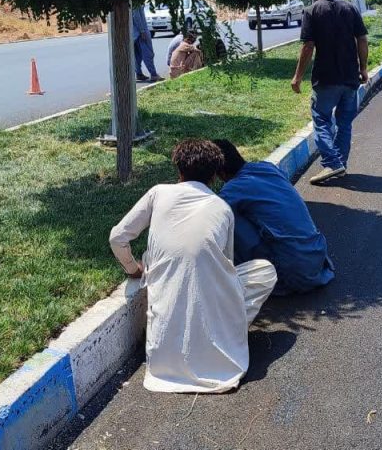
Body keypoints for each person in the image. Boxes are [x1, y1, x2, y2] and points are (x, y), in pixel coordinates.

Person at [109, 139, 277, 393]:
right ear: (215, 175)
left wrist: (133, 269)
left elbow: (117, 238)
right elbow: (227, 269)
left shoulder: (158, 193)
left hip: (162, 360)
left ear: (178, 168)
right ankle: (225, 334)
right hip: (220, 357)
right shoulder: (223, 208)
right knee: (265, 271)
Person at [213, 139, 334, 295]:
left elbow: (210, 218)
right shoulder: (267, 168)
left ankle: (242, 276)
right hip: (318, 258)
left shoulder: (232, 190)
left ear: (221, 173)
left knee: (226, 217)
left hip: (295, 275)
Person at [291, 0, 369, 185]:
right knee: (344, 124)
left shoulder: (312, 11)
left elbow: (308, 46)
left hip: (325, 78)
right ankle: (340, 164)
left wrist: (297, 77)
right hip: (350, 77)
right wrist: (363, 68)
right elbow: (362, 39)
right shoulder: (350, 8)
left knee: (322, 120)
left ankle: (333, 163)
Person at [132, 4, 163, 82]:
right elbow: (136, 16)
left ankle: (139, 73)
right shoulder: (136, 2)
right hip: (140, 33)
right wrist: (142, 30)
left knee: (137, 55)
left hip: (133, 33)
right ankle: (153, 74)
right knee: (148, 54)